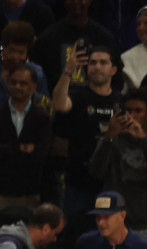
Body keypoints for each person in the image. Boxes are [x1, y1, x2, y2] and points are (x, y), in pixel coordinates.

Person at [87, 89, 147, 238]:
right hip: (112, 219)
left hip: (142, 222)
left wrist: (143, 140)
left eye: (138, 111)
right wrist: (109, 137)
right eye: (128, 110)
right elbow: (95, 171)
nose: (132, 115)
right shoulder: (113, 140)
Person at [52, 42, 122, 223]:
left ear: (113, 69)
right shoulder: (77, 94)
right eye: (92, 62)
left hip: (111, 182)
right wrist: (68, 70)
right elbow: (59, 104)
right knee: (75, 232)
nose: (97, 67)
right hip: (78, 181)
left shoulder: (121, 100)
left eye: (103, 62)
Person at [0, 62, 53, 222]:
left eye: (23, 83)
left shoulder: (42, 118)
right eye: (14, 82)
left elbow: (40, 157)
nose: (18, 86)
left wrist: (0, 148)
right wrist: (21, 149)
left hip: (29, 194)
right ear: (7, 84)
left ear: (34, 87)